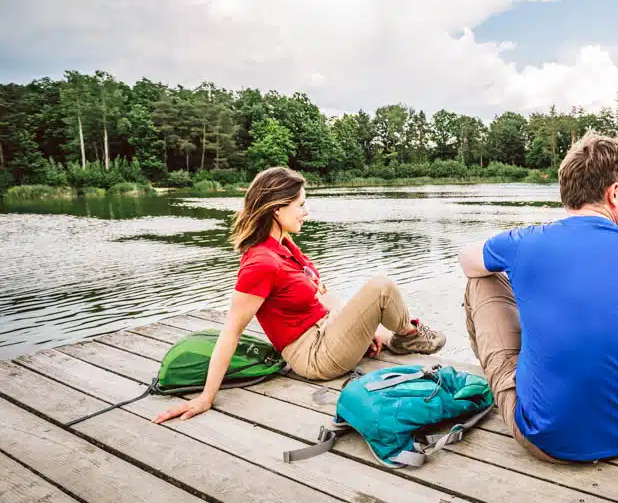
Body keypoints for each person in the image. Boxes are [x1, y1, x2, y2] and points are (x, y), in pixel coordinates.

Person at [152, 166, 445, 424]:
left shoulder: (285, 246)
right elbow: (231, 331)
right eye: (301, 205)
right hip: (312, 356)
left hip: (326, 331)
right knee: (381, 287)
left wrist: (353, 329)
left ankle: (394, 338)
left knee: (377, 318)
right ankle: (409, 334)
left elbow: (322, 293)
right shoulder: (260, 263)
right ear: (277, 209)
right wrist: (206, 398)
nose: (306, 212)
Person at [457, 132, 618, 462]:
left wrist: (516, 271)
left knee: (481, 280)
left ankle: (503, 389)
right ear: (614, 194)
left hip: (548, 441)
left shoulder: (526, 241)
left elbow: (466, 261)